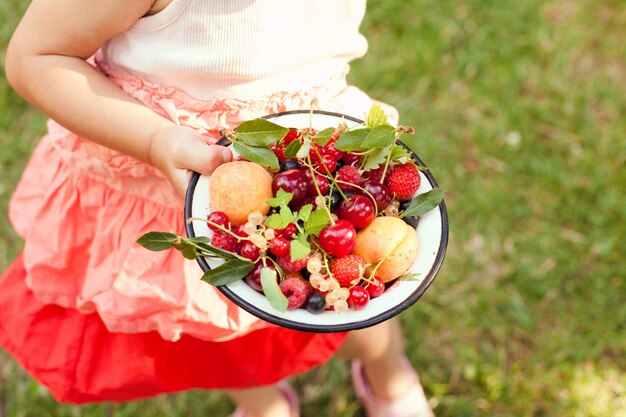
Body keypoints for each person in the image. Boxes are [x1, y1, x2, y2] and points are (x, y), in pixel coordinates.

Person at [1, 1, 434, 416]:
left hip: (319, 171)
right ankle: (267, 404)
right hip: (174, 182)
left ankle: (389, 378)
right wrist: (156, 141)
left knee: (359, 284)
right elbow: (36, 56)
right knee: (207, 331)